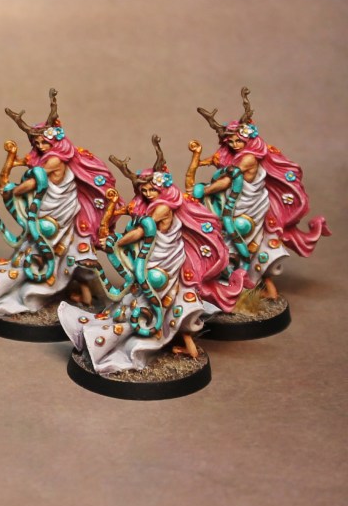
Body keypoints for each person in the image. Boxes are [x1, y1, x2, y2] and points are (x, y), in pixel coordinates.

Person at [59, 138, 245, 375]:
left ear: (162, 189)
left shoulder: (161, 209)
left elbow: (141, 231)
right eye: (144, 190)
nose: (147, 193)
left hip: (164, 261)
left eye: (151, 190)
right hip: (154, 259)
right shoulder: (151, 205)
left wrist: (117, 242)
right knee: (153, 302)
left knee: (159, 303)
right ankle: (183, 345)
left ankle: (138, 340)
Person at [0, 89, 114, 317]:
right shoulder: (45, 157)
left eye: (44, 141)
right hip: (50, 209)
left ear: (55, 142)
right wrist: (12, 158)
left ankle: (33, 287)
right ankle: (65, 286)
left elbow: (35, 181)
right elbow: (26, 163)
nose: (40, 146)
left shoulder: (53, 161)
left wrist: (13, 191)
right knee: (49, 248)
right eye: (36, 142)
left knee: (47, 248)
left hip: (58, 213)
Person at [189, 88, 328, 299]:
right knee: (237, 241)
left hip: (248, 205)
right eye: (231, 142)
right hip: (235, 202)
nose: (234, 145)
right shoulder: (233, 154)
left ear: (248, 140)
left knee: (242, 242)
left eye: (238, 141)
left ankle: (245, 283)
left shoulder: (248, 159)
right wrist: (198, 157)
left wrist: (204, 190)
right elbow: (214, 163)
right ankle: (239, 283)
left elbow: (227, 180)